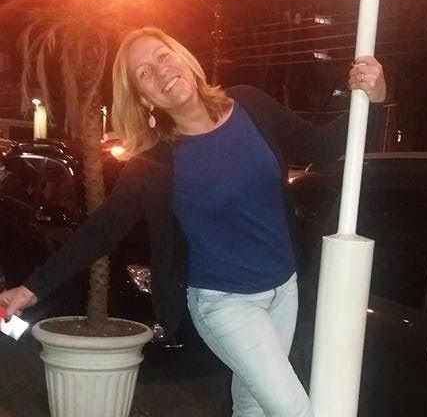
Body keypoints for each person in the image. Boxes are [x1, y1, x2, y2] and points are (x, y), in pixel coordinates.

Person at [0, 26, 386, 417]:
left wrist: (374, 100)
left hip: (283, 290)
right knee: (296, 411)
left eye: (163, 56)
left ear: (182, 56)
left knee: (253, 407)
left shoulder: (251, 105)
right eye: (145, 73)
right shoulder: (154, 162)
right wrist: (31, 289)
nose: (161, 71)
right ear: (144, 99)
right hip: (225, 305)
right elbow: (101, 230)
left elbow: (322, 146)